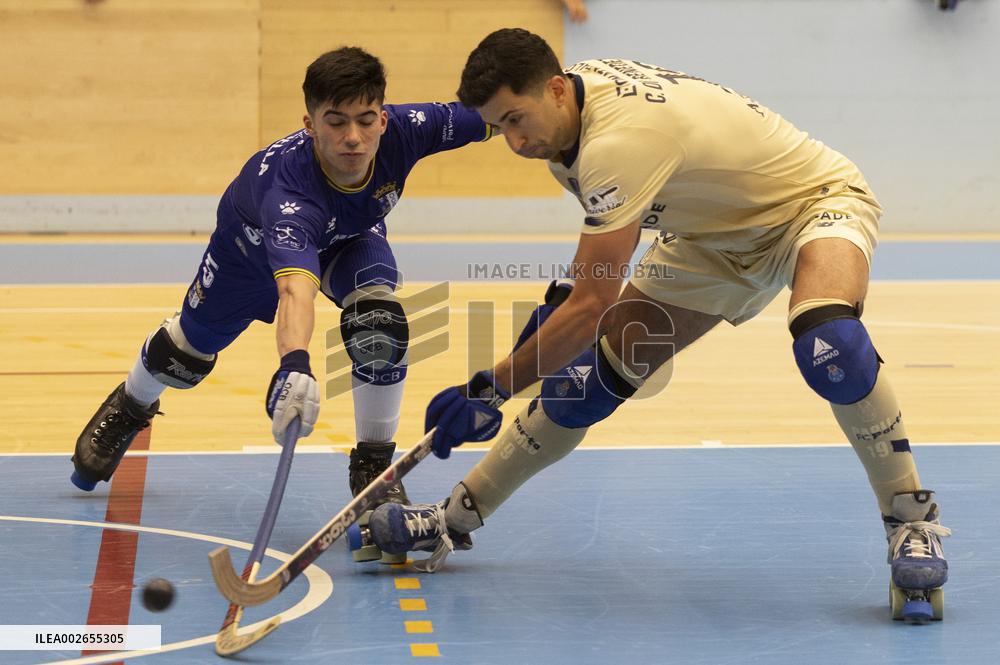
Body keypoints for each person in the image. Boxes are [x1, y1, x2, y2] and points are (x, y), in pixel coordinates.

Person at [355, 28, 950, 621]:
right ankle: (454, 517)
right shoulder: (566, 125)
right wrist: (543, 334)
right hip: (706, 242)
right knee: (584, 384)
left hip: (810, 205)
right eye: (500, 126)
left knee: (831, 344)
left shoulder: (618, 141)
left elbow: (591, 305)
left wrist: (491, 387)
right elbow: (583, 282)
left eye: (517, 119)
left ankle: (910, 522)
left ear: (557, 90)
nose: (514, 140)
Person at [71, 47, 493, 563]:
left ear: (384, 118)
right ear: (310, 125)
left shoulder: (411, 129)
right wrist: (295, 367)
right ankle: (131, 403)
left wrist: (575, 97)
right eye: (335, 123)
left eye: (365, 121)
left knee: (380, 326)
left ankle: (374, 468)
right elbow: (298, 292)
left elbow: (504, 110)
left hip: (349, 239)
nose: (353, 138)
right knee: (185, 354)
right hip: (248, 254)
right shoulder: (286, 193)